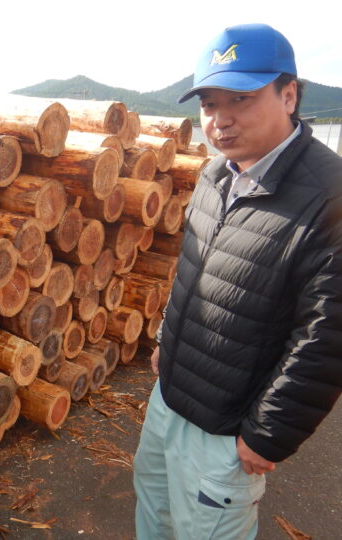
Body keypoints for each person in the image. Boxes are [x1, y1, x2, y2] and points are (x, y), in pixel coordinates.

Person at [133, 23, 342, 539]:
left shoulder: (328, 197)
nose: (219, 120)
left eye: (240, 100)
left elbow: (326, 336)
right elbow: (194, 268)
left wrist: (270, 434)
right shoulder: (217, 175)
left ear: (288, 95)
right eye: (209, 104)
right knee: (154, 515)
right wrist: (166, 339)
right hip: (170, 398)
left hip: (225, 428)